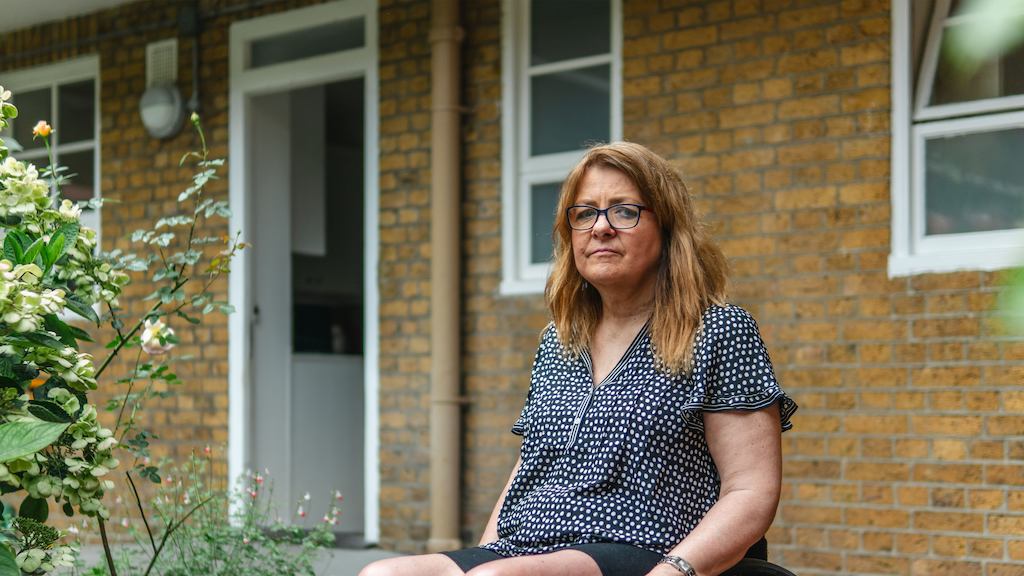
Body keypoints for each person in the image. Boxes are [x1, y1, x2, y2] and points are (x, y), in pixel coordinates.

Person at [360, 142, 797, 576]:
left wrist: (674, 570)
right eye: (585, 213)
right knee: (383, 573)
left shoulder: (718, 330)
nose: (600, 228)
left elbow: (750, 490)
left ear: (667, 227)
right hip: (529, 546)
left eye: (624, 211)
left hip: (646, 544)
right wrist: (486, 551)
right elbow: (530, 465)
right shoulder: (560, 341)